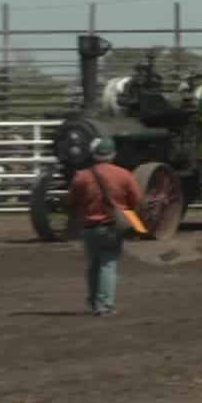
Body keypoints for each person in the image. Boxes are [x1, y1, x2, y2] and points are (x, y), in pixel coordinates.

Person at [66, 136, 141, 317]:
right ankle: (105, 305)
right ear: (113, 154)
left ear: (94, 155)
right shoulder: (124, 175)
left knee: (93, 265)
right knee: (109, 265)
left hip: (89, 226)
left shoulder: (82, 177)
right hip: (112, 226)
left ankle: (94, 301)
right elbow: (137, 199)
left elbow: (71, 201)